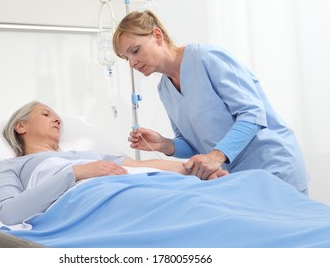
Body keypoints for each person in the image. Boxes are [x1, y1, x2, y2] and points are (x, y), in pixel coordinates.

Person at [112, 10, 309, 194]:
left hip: (272, 166)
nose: (131, 63)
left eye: (135, 50)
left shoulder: (207, 58)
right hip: (235, 177)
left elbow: (252, 114)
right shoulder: (164, 89)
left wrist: (216, 156)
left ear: (157, 35)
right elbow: (195, 144)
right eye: (126, 58)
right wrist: (165, 145)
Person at [0, 101, 227, 225]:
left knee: (215, 195)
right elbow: (8, 213)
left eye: (58, 116)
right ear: (21, 126)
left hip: (136, 185)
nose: (57, 119)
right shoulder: (9, 167)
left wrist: (193, 169)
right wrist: (76, 173)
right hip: (94, 197)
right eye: (46, 114)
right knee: (193, 209)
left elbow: (137, 166)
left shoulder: (89, 154)